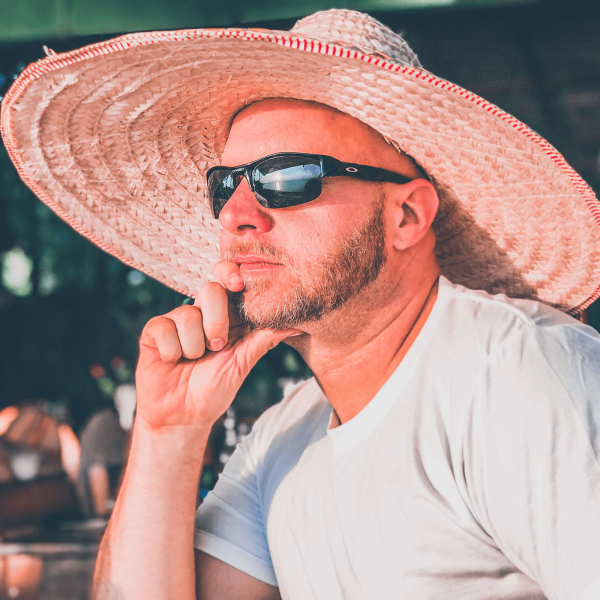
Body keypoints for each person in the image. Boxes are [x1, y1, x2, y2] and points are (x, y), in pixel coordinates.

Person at [2, 9, 600, 600]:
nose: (236, 215)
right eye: (223, 186)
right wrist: (169, 432)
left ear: (407, 216)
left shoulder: (517, 372)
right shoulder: (283, 438)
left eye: (287, 178)